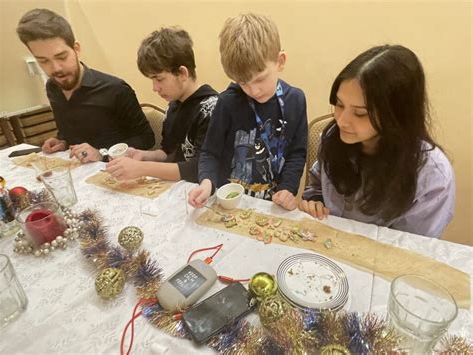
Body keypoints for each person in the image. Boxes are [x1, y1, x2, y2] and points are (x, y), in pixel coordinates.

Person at [300, 45, 455, 238]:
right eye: (339, 105)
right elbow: (317, 184)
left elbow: (412, 251)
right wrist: (316, 200)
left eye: (360, 113)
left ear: (397, 115)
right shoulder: (333, 137)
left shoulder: (432, 177)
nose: (342, 121)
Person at [188, 13, 307, 210]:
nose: (253, 90)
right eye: (242, 82)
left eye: (260, 79)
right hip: (230, 202)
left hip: (272, 204)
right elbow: (210, 152)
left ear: (280, 61)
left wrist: (288, 188)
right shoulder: (227, 102)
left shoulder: (295, 100)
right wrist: (206, 182)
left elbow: (296, 153)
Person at [16, 8, 154, 163]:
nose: (56, 68)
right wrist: (61, 141)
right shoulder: (52, 87)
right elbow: (69, 131)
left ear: (76, 49)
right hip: (77, 170)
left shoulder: (116, 89)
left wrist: (103, 153)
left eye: (61, 57)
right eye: (43, 61)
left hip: (116, 172)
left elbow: (146, 139)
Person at [104, 27, 218, 182]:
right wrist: (143, 156)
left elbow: (197, 168)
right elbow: (167, 152)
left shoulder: (212, 109)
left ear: (183, 73)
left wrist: (141, 168)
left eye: (159, 79)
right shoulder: (173, 105)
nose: (154, 88)